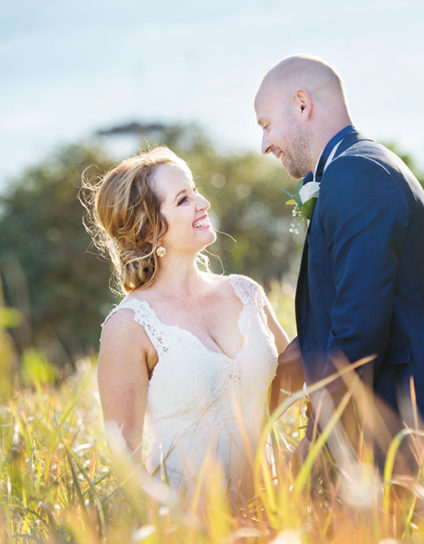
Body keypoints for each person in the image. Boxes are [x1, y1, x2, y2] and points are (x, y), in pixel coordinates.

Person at [254, 55, 424, 472]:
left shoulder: (356, 173)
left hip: (402, 438)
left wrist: (316, 444)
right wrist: (260, 380)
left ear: (302, 104)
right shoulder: (360, 166)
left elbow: (356, 333)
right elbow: (342, 316)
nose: (264, 144)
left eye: (266, 125)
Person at [84, 146, 289, 494]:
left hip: (273, 514)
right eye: (183, 200)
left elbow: (302, 383)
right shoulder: (129, 326)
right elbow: (125, 461)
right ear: (148, 230)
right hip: (188, 527)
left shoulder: (246, 292)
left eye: (195, 191)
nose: (203, 203)